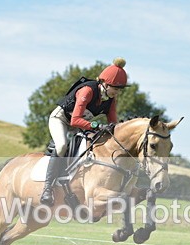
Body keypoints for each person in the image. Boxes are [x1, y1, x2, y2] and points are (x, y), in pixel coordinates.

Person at [39, 57, 128, 206]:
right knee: (61, 146)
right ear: (105, 84)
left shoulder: (110, 99)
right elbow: (75, 120)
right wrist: (97, 126)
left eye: (119, 89)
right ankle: (47, 188)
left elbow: (113, 123)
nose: (117, 92)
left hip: (81, 124)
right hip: (61, 119)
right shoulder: (87, 91)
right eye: (115, 88)